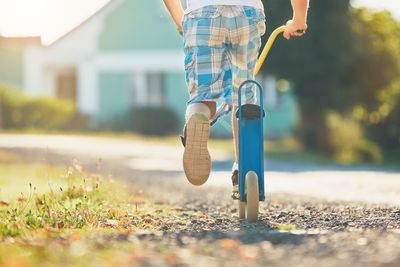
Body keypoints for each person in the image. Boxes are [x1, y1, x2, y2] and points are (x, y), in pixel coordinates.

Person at [163, 0, 309, 198]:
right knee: (243, 93)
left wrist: (182, 20)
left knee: (203, 95)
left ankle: (197, 119)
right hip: (246, 15)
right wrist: (299, 18)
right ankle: (244, 169)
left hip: (201, 14)